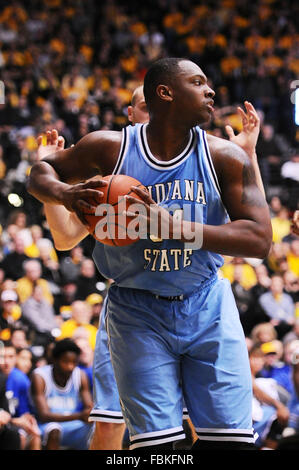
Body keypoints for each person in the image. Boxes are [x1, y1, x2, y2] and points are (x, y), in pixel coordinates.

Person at [28, 59, 272, 450]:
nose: (210, 91)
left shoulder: (225, 156)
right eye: (198, 82)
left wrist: (171, 226)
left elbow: (260, 239)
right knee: (155, 450)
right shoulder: (109, 147)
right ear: (166, 92)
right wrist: (64, 194)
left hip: (206, 303)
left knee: (230, 442)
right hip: (136, 312)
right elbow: (41, 170)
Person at [30, 338, 93, 450]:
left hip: (73, 424)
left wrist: (89, 412)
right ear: (55, 360)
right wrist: (80, 416)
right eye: (66, 362)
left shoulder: (80, 375)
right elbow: (44, 416)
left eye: (74, 362)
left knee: (98, 426)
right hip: (47, 425)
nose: (70, 367)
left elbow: (89, 407)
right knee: (54, 431)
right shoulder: (40, 377)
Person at [0, 341, 41, 450]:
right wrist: (15, 421)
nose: (6, 361)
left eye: (11, 356)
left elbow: (24, 412)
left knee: (35, 435)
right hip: (6, 423)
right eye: (2, 357)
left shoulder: (21, 379)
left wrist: (28, 420)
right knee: (18, 436)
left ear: (16, 358)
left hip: (12, 422)